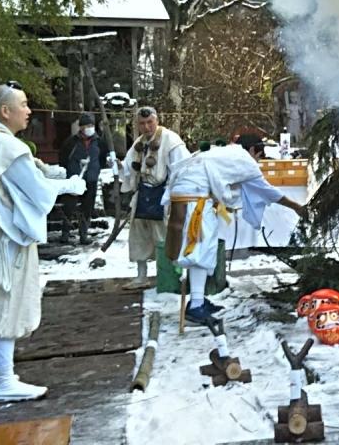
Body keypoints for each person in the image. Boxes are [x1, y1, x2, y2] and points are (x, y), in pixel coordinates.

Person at [0, 82, 86, 402]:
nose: (29, 111)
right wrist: (70, 185)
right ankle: (4, 380)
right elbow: (36, 192)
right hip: (5, 237)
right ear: (5, 111)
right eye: (24, 104)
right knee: (6, 304)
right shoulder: (6, 146)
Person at [162, 132, 302, 326]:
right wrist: (296, 207)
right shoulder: (245, 161)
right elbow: (268, 191)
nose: (258, 161)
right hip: (194, 197)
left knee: (200, 249)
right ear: (253, 150)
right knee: (200, 250)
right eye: (259, 156)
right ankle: (195, 306)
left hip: (184, 191)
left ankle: (198, 299)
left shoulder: (225, 152)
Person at [120, 106, 190, 290]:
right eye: (142, 123)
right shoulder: (140, 142)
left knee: (164, 237)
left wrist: (174, 194)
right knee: (139, 236)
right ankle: (141, 276)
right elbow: (128, 165)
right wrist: (119, 167)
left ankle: (169, 276)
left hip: (163, 194)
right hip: (142, 193)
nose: (146, 127)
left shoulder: (171, 140)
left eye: (150, 122)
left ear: (157, 120)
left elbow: (182, 168)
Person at [57, 114, 109, 244]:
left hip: (91, 179)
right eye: (86, 125)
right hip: (74, 180)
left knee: (87, 207)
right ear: (81, 127)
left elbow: (103, 158)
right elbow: (63, 158)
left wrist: (95, 169)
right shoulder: (71, 142)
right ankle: (65, 233)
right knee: (69, 206)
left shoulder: (100, 142)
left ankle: (83, 234)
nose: (89, 128)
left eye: (91, 125)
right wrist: (72, 170)